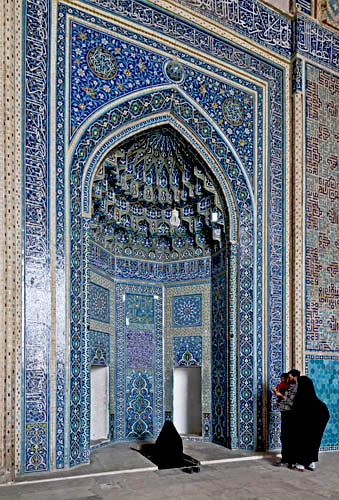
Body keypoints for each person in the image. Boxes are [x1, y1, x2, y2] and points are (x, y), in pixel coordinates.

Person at [290, 376, 330, 471]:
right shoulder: (318, 403)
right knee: (312, 441)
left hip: (307, 427)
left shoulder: (300, 400)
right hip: (315, 427)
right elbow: (326, 414)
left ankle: (302, 463)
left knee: (303, 439)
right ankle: (310, 462)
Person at [272, 369, 300, 466]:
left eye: (289, 377)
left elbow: (292, 402)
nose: (288, 379)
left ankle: (291, 460)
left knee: (290, 437)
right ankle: (285, 459)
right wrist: (279, 401)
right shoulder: (290, 386)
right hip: (285, 413)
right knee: (284, 437)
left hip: (291, 414)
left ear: (295, 376)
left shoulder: (297, 387)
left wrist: (280, 395)